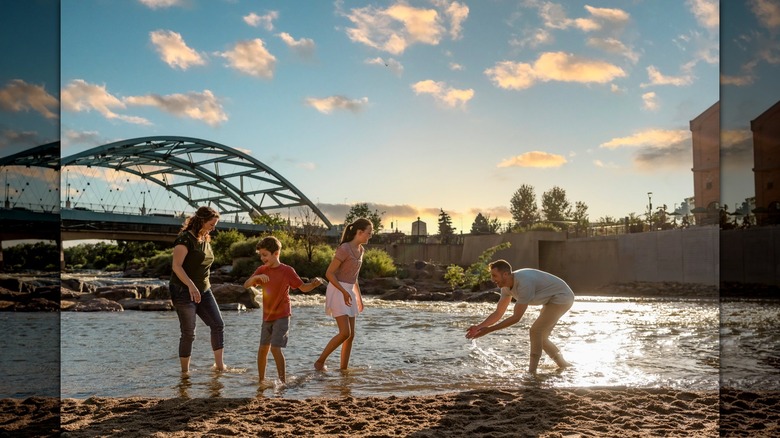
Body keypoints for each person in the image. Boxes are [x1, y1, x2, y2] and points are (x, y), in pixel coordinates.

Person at [465, 259, 574, 374]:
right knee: (542, 337)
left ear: (505, 274)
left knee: (535, 331)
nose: (492, 279)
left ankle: (532, 373)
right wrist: (479, 327)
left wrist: (489, 330)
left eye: (494, 276)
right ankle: (563, 365)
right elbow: (498, 313)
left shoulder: (524, 283)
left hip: (562, 297)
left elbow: (516, 318)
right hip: (550, 299)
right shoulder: (505, 287)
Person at [243, 236, 324, 384]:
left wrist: (313, 284)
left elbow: (303, 288)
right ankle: (261, 381)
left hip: (282, 315)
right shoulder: (262, 270)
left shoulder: (287, 271)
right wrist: (257, 278)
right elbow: (246, 285)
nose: (262, 258)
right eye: (260, 255)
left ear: (276, 254)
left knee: (275, 348)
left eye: (265, 255)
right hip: (267, 316)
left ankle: (282, 381)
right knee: (262, 349)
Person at [170, 206, 228, 373]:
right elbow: (176, 266)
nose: (214, 227)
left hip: (204, 289)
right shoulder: (185, 239)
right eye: (211, 224)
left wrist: (199, 287)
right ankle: (185, 373)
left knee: (217, 324)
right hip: (183, 290)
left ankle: (219, 366)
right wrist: (191, 285)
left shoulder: (206, 238)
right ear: (202, 221)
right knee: (189, 333)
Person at [314, 218, 373, 371]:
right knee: (344, 332)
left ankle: (343, 369)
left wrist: (359, 298)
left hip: (349, 291)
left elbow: (354, 278)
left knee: (351, 335)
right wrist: (343, 291)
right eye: (368, 233)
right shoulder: (344, 249)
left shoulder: (361, 250)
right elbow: (329, 273)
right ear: (359, 232)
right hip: (337, 289)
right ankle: (320, 362)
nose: (370, 236)